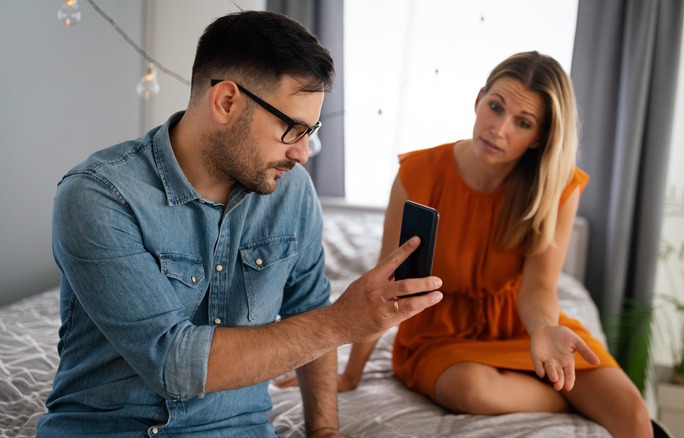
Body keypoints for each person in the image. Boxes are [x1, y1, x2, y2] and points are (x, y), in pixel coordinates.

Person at [37, 11, 441, 438]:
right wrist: (344, 321)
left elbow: (309, 308)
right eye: (292, 128)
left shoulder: (292, 191)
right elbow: (172, 362)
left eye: (312, 130)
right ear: (226, 102)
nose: (304, 153)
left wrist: (324, 431)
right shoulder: (98, 195)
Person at [323, 51, 651, 437]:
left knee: (632, 412)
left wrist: (545, 330)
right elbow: (387, 284)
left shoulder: (558, 187)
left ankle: (570, 391)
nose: (499, 129)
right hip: (438, 337)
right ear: (478, 100)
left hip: (524, 327)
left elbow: (539, 289)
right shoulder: (420, 174)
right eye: (495, 107)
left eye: (522, 122)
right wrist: (350, 374)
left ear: (539, 138)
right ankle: (569, 399)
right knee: (471, 390)